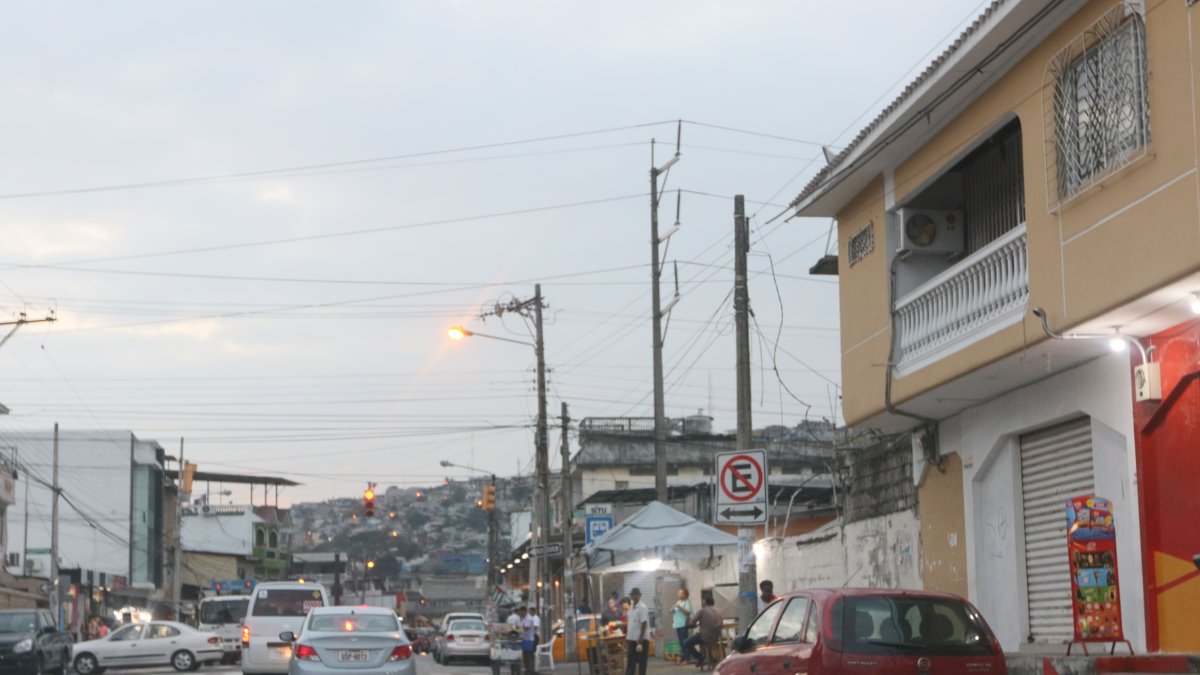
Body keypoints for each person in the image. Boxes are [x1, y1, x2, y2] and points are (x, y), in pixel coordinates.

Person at [682, 595, 722, 668]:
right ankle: (710, 658)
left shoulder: (702, 610)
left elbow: (692, 622)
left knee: (686, 643)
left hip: (705, 637)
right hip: (716, 637)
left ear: (705, 602)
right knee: (698, 636)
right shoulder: (718, 611)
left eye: (703, 601)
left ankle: (700, 657)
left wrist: (687, 619)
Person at [624, 588, 650, 675]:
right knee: (631, 660)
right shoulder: (631, 606)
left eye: (635, 595)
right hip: (631, 638)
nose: (633, 596)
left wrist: (641, 638)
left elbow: (644, 622)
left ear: (639, 596)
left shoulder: (642, 607)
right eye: (632, 595)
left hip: (640, 639)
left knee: (642, 662)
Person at [672, 588, 693, 653]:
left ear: (685, 594)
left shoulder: (687, 602)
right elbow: (675, 610)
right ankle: (683, 657)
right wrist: (673, 611)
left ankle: (686, 658)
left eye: (680, 593)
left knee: (685, 641)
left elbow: (688, 612)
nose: (679, 595)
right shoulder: (679, 602)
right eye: (679, 593)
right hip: (677, 624)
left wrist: (679, 607)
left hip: (683, 624)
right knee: (681, 642)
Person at [521, 606, 541, 675]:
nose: (521, 614)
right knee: (525, 655)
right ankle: (527, 669)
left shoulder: (529, 618)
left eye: (521, 612)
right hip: (525, 638)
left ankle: (530, 670)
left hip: (529, 639)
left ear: (524, 611)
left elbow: (526, 628)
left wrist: (520, 629)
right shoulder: (525, 618)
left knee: (529, 655)